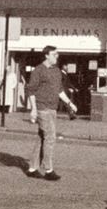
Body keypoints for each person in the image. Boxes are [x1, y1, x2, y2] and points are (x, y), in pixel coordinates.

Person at [25, 46, 78, 180]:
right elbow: (31, 90)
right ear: (46, 55)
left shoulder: (56, 71)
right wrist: (33, 109)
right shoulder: (38, 70)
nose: (57, 56)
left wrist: (70, 103)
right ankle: (48, 169)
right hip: (42, 108)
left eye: (57, 54)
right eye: (54, 54)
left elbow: (59, 90)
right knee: (50, 137)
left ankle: (32, 168)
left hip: (52, 109)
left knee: (42, 137)